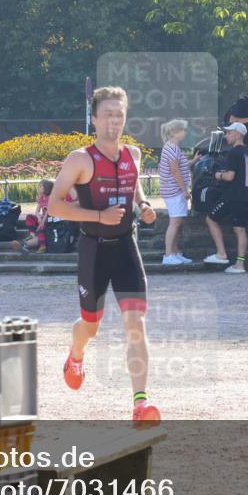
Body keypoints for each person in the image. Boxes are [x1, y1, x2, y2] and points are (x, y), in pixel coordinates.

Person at [46, 86, 160, 426]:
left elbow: (134, 187)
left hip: (126, 246)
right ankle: (76, 355)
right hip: (93, 249)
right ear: (94, 119)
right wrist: (98, 217)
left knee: (136, 324)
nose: (114, 120)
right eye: (108, 114)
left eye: (120, 114)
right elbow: (53, 205)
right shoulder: (80, 159)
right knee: (90, 326)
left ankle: (140, 403)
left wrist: (144, 206)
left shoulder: (134, 155)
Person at [202, 122, 248, 274]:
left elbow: (230, 176)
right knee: (240, 229)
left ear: (238, 134)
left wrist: (219, 175)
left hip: (232, 197)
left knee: (210, 219)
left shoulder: (234, 152)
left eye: (229, 133)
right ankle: (240, 265)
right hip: (247, 197)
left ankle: (221, 254)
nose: (226, 136)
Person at [158, 119, 193, 265]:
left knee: (178, 222)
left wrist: (194, 160)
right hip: (174, 191)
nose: (185, 133)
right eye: (183, 130)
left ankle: (175, 252)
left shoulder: (173, 148)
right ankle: (168, 255)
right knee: (175, 222)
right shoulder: (172, 148)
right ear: (175, 132)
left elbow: (181, 166)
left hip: (174, 191)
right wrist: (185, 190)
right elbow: (175, 171)